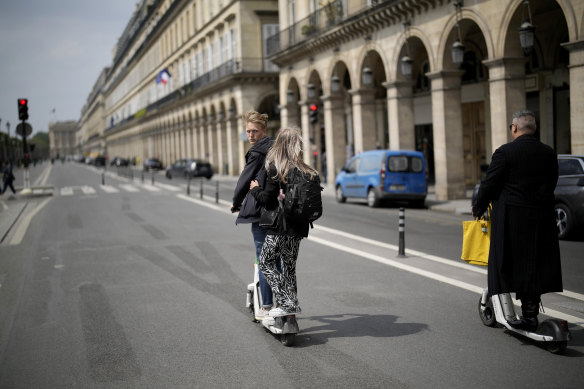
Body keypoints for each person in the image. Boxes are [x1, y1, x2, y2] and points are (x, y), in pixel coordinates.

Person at [472, 110, 563, 332]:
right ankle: (530, 314)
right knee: (534, 266)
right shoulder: (549, 153)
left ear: (514, 128)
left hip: (512, 220)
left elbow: (489, 184)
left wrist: (478, 207)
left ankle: (509, 307)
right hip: (542, 220)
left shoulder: (505, 152)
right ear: (534, 128)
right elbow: (552, 184)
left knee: (506, 265)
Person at [249, 126, 318, 323]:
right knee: (288, 267)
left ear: (279, 144)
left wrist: (255, 189)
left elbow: (268, 201)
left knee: (266, 262)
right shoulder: (306, 170)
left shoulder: (276, 168)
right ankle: (290, 309)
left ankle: (288, 304)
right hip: (299, 226)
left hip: (279, 226)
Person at [231, 110, 276, 318]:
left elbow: (244, 179)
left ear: (263, 131)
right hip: (278, 210)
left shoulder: (257, 151)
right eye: (248, 131)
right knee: (278, 259)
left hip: (261, 211)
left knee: (264, 257)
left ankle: (266, 306)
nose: (250, 135)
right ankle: (283, 302)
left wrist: (236, 202)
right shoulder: (276, 147)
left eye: (255, 131)